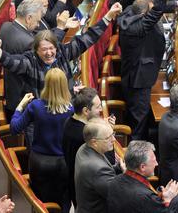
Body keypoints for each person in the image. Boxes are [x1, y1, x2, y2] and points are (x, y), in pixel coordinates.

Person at [0, 2, 122, 98]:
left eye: (51, 48)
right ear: (36, 50)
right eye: (44, 50)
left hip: (65, 106)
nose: (49, 53)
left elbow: (88, 38)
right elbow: (13, 62)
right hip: (44, 116)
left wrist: (108, 17)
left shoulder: (63, 52)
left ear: (56, 47)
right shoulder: (31, 61)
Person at [118, 0, 172, 140]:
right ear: (144, 14)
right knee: (138, 121)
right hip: (137, 81)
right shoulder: (137, 29)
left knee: (140, 118)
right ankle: (136, 155)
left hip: (137, 74)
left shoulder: (130, 12)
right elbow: (158, 9)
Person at [10, 68, 73, 212]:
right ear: (64, 85)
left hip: (39, 162)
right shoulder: (71, 109)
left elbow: (15, 128)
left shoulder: (36, 106)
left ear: (46, 84)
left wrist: (20, 106)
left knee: (39, 203)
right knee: (63, 202)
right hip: (63, 163)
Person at [107, 140, 178, 212]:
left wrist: (161, 196)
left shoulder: (115, 180)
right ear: (142, 167)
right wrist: (169, 199)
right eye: (154, 161)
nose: (156, 164)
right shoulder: (144, 197)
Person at [62, 87, 105, 207]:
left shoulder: (69, 121)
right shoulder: (83, 135)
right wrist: (107, 131)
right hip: (84, 191)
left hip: (74, 182)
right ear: (86, 111)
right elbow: (105, 160)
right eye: (98, 107)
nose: (101, 110)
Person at [74, 119, 122, 213]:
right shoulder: (97, 168)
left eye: (113, 134)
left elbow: (100, 176)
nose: (114, 139)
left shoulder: (84, 148)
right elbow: (118, 195)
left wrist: (119, 167)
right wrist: (129, 175)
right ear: (94, 142)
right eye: (108, 137)